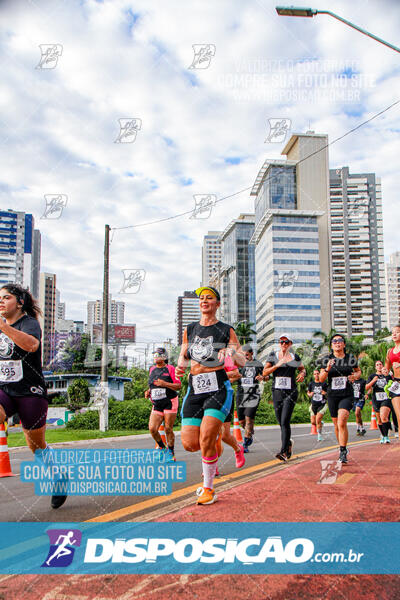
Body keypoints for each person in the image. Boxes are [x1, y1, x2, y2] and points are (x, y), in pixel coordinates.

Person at [176, 286, 245, 505]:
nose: (204, 301)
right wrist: (180, 366)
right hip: (194, 387)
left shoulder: (226, 330)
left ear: (217, 304)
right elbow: (183, 356)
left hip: (218, 386)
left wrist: (231, 352)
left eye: (210, 298)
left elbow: (242, 359)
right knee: (189, 443)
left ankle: (208, 489)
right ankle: (216, 437)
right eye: (202, 298)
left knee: (206, 437)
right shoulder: (191, 329)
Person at [0, 284, 66, 509]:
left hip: (30, 392)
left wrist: (3, 327)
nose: (1, 302)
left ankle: (58, 477)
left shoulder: (29, 323)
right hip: (4, 389)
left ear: (19, 302)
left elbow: (31, 345)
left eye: (6, 297)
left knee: (36, 446)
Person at [263, 333, 305, 461]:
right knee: (280, 422)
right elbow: (265, 372)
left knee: (285, 420)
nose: (284, 344)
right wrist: (277, 365)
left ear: (291, 344)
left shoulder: (294, 356)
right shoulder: (273, 356)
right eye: (281, 342)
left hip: (291, 392)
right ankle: (288, 445)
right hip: (277, 392)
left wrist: (302, 373)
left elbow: (302, 368)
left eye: (286, 342)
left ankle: (283, 452)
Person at [319, 334, 360, 463]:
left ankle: (343, 451)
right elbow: (321, 379)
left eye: (340, 341)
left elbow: (358, 371)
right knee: (337, 424)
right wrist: (327, 369)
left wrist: (355, 376)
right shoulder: (327, 359)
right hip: (332, 395)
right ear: (331, 345)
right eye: (334, 341)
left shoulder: (350, 358)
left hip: (346, 394)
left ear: (344, 344)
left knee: (342, 421)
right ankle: (342, 447)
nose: (337, 343)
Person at [145, 347, 181, 459]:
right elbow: (153, 384)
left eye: (158, 355)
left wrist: (164, 384)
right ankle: (162, 448)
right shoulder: (152, 369)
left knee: (168, 428)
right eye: (154, 355)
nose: (156, 357)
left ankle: (171, 452)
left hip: (170, 401)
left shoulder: (170, 369)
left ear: (164, 357)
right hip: (157, 403)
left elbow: (178, 386)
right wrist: (148, 391)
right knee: (152, 428)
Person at [236, 344, 264, 452]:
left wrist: (262, 377)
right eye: (243, 355)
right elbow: (233, 375)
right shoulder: (239, 364)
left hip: (253, 394)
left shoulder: (258, 364)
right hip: (241, 394)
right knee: (242, 421)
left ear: (252, 353)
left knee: (248, 419)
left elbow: (266, 375)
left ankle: (245, 444)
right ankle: (250, 432)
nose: (245, 357)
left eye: (247, 355)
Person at [366, 360, 390, 443]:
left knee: (384, 417)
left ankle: (386, 436)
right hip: (376, 399)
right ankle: (383, 435)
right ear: (375, 367)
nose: (379, 366)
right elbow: (367, 387)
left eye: (380, 364)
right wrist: (373, 380)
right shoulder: (372, 376)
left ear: (382, 365)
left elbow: (393, 383)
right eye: (377, 365)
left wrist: (387, 375)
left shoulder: (387, 375)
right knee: (379, 420)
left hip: (386, 398)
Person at [385, 325, 400, 442]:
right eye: (393, 332)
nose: (394, 334)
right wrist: (384, 371)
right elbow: (387, 368)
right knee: (398, 415)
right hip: (396, 383)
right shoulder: (389, 351)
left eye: (397, 332)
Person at [307, 369, 327, 441]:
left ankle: (319, 436)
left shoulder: (324, 383)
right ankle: (320, 423)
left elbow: (328, 393)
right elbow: (308, 392)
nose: (316, 375)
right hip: (313, 404)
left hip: (322, 404)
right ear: (313, 375)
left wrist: (325, 393)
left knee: (317, 419)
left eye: (318, 373)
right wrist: (310, 394)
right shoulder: (311, 384)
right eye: (315, 374)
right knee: (313, 422)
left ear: (320, 374)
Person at [351, 369, 367, 437]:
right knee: (358, 415)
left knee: (357, 412)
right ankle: (361, 428)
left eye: (357, 372)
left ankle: (358, 428)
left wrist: (367, 394)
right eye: (354, 372)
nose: (356, 374)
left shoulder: (363, 381)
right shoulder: (351, 381)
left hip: (361, 399)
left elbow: (369, 388)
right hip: (354, 399)